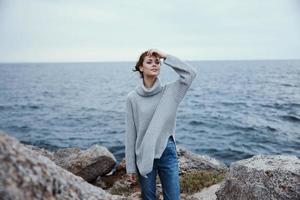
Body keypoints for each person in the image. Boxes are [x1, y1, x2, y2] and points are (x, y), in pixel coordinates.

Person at [125, 49, 197, 200]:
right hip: (144, 153)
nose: (154, 65)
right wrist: (130, 167)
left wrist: (166, 56)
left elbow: (190, 74)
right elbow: (130, 134)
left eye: (157, 62)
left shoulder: (171, 91)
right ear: (141, 67)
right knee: (149, 197)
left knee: (173, 198)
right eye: (149, 62)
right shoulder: (132, 98)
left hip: (166, 150)